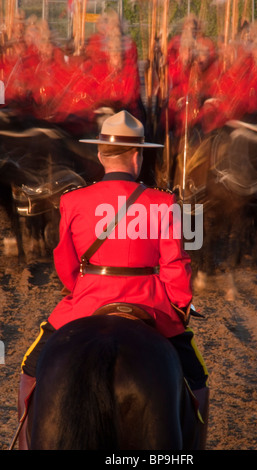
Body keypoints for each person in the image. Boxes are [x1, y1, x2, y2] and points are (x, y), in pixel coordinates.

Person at [18, 110, 209, 449]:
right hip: (150, 304)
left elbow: (64, 262)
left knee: (30, 370)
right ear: (138, 155)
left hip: (88, 301)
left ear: (100, 154)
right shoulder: (163, 203)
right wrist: (179, 306)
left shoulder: (72, 200)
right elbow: (176, 266)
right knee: (197, 379)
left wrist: (81, 289)